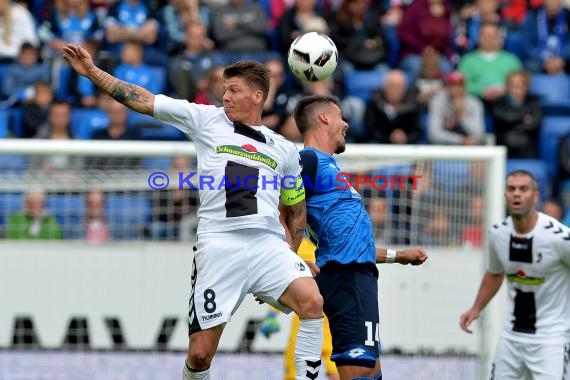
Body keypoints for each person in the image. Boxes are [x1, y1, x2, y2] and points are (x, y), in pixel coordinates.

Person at [62, 43, 325, 380]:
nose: (225, 96)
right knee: (200, 357)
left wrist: (289, 256)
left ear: (257, 96)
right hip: (219, 247)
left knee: (313, 303)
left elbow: (295, 208)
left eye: (234, 90)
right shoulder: (206, 120)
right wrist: (93, 72)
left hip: (267, 246)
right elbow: (143, 99)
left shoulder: (285, 149)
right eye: (224, 90)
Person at [292, 95, 428, 380]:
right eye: (340, 116)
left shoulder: (329, 168)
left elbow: (349, 241)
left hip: (359, 277)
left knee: (372, 372)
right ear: (324, 118)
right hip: (346, 279)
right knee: (359, 373)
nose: (346, 123)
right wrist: (286, 260)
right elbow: (282, 209)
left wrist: (398, 256)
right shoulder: (308, 160)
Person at [459, 170, 570, 379]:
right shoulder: (497, 234)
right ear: (505, 195)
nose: (517, 194)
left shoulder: (559, 238)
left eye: (523, 189)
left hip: (551, 340)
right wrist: (476, 308)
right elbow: (494, 273)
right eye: (511, 189)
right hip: (511, 338)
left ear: (535, 196)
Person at [260, 236, 340, 380]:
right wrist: (271, 315)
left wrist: (271, 315)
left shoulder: (310, 246)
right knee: (329, 366)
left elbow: (287, 280)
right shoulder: (325, 245)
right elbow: (287, 280)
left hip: (315, 320)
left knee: (330, 368)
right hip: (317, 318)